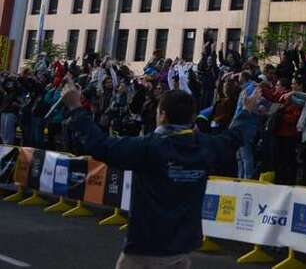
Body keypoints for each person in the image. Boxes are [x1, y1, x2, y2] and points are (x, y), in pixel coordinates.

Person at [63, 80, 261, 268]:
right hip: (182, 248)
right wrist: (247, 110)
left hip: (146, 248)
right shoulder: (206, 146)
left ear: (163, 115)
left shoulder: (149, 147)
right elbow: (236, 136)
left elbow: (101, 145)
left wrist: (75, 107)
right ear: (192, 117)